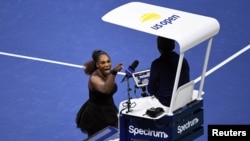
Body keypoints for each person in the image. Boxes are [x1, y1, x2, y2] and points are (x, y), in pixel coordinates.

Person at [75, 50, 123, 137]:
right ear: (97, 65)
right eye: (103, 63)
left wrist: (112, 74)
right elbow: (106, 90)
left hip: (109, 110)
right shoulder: (94, 78)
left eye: (108, 61)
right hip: (96, 116)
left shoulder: (108, 73)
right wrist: (114, 73)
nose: (107, 65)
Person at [147, 36, 190, 107]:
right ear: (173, 45)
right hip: (183, 98)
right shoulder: (183, 60)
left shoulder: (157, 64)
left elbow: (151, 90)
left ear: (158, 47)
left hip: (166, 102)